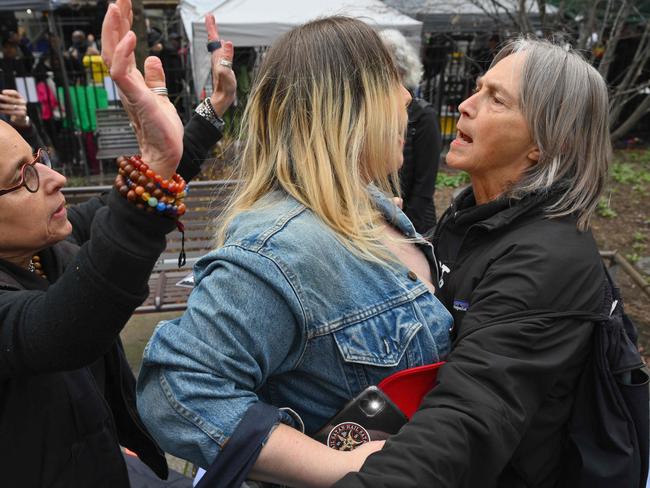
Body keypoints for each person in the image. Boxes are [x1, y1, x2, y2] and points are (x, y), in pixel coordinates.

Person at [136, 15, 453, 488]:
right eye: (392, 82)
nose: (407, 97)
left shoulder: (375, 209)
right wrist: (338, 466)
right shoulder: (280, 248)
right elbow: (176, 391)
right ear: (348, 105)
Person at [333, 37, 612, 488]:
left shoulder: (549, 259)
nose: (464, 105)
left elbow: (469, 415)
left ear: (542, 142)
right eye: (478, 88)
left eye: (495, 98)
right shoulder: (473, 215)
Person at [0, 0, 236, 485]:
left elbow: (124, 203)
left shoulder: (47, 248)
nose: (55, 177)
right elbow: (66, 325)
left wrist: (209, 113)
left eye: (37, 157)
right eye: (21, 177)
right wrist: (154, 159)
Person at [380, 29, 441, 234]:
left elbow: (425, 185)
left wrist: (405, 229)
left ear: (402, 72)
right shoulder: (376, 114)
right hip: (382, 220)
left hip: (415, 225)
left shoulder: (424, 116)